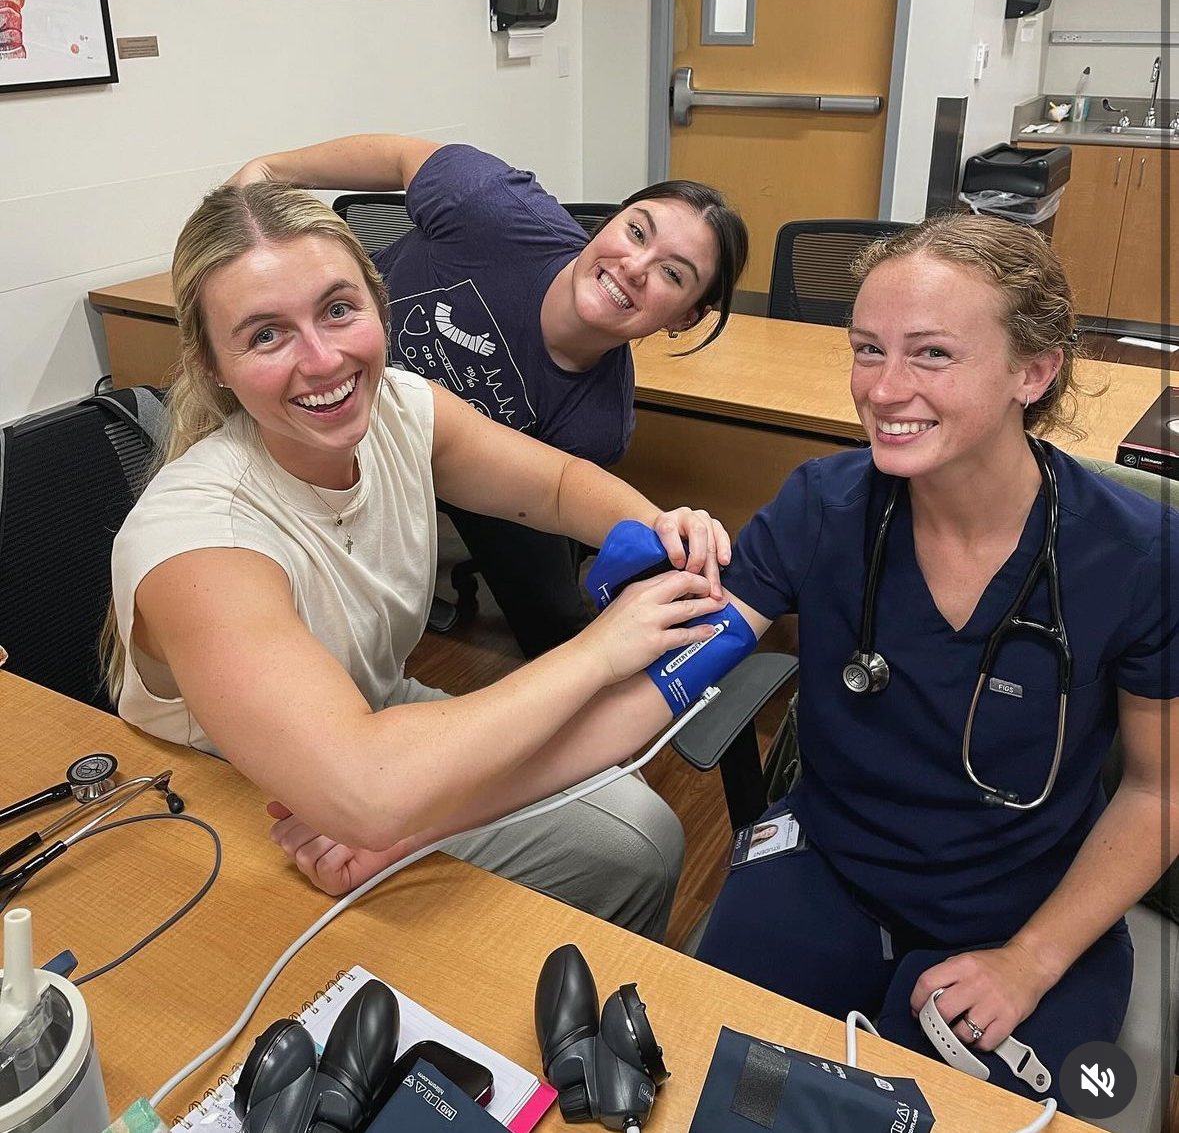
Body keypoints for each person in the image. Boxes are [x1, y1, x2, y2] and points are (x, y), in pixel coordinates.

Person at [105, 181, 738, 941]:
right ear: (212, 363)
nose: (322, 359)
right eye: (266, 335)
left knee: (637, 837)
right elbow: (365, 786)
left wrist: (660, 527)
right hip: (221, 795)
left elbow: (558, 485)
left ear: (379, 304)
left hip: (367, 724)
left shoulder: (400, 408)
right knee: (614, 848)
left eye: (338, 310)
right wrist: (600, 651)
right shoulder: (200, 536)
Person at [694, 214, 1178, 1111]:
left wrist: (1030, 960)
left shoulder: (1138, 555)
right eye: (866, 348)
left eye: (931, 354)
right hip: (829, 867)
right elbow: (663, 677)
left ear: (1033, 372)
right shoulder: (821, 506)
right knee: (732, 1099)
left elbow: (1160, 791)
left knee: (949, 1118)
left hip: (1027, 904)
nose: (882, 389)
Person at [228, 136, 748, 659]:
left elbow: (551, 489)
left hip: (442, 468)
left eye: (671, 273)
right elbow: (400, 157)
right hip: (324, 411)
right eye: (636, 231)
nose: (635, 266)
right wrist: (269, 170)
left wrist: (666, 531)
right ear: (608, 222)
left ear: (685, 318)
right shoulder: (495, 208)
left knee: (555, 625)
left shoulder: (595, 424)